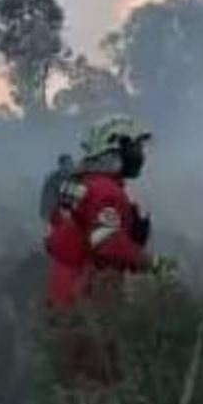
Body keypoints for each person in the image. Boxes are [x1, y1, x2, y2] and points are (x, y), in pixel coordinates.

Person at [43, 114, 155, 385]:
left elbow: (64, 226)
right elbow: (106, 244)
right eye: (135, 148)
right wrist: (148, 261)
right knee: (99, 382)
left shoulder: (80, 185)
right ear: (115, 149)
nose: (139, 155)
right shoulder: (106, 192)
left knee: (69, 380)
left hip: (63, 290)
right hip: (89, 295)